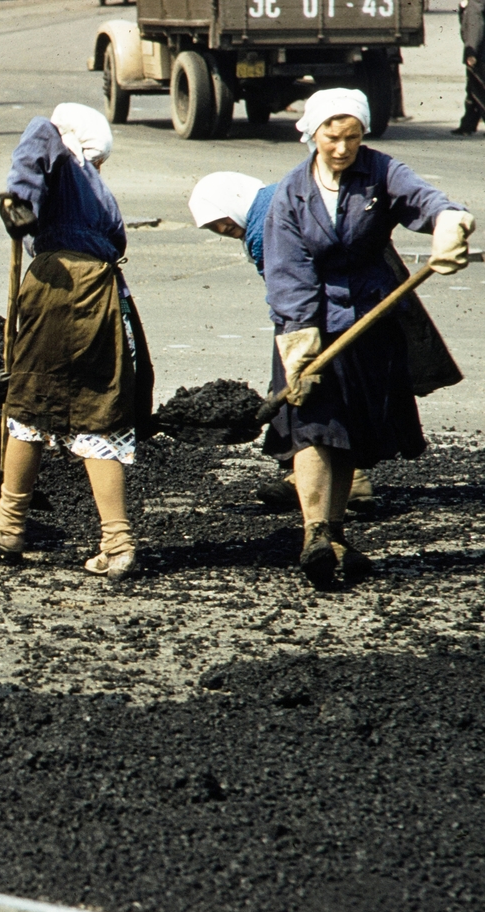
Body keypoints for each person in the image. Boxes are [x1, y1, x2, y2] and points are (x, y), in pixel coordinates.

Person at [262, 88, 474, 588]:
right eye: (333, 138)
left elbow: (427, 201)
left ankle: (335, 531)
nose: (343, 148)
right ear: (312, 134)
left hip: (371, 322)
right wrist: (300, 349)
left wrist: (448, 223)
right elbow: (288, 274)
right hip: (308, 325)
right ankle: (314, 532)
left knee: (349, 430)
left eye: (353, 137)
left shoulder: (380, 173)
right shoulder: (290, 195)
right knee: (313, 424)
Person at [0, 103, 153, 582]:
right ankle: (117, 541)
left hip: (59, 290)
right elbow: (115, 242)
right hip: (102, 298)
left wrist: (20, 199)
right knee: (95, 411)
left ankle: (8, 523)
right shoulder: (100, 191)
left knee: (27, 402)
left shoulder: (59, 147)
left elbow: (38, 137)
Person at [190, 171, 383, 511]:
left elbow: (294, 281)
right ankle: (310, 475)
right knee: (316, 396)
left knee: (316, 400)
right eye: (213, 229)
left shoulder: (269, 220)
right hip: (325, 310)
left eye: (219, 221)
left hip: (320, 316)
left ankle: (344, 483)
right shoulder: (268, 210)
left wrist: (297, 332)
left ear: (232, 202)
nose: (221, 230)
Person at [453, 0, 485, 136]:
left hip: (478, 53)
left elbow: (474, 28)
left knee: (478, 89)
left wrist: (471, 52)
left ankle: (468, 125)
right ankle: (468, 124)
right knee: (472, 90)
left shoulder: (474, 6)